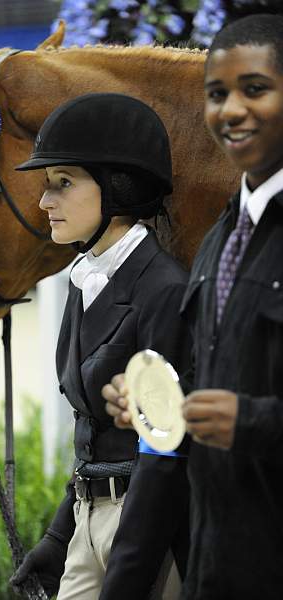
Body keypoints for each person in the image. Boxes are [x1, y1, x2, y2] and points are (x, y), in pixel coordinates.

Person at [103, 11, 283, 600]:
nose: (231, 110)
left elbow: (249, 411)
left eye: (255, 89)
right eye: (216, 94)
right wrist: (163, 407)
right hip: (220, 558)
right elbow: (223, 380)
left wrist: (252, 422)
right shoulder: (219, 239)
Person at [11, 92, 191, 600]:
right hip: (88, 522)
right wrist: (57, 536)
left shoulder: (165, 291)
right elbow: (92, 433)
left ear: (119, 187)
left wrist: (131, 569)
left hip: (146, 532)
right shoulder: (83, 281)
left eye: (62, 184)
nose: (46, 202)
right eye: (47, 186)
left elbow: (166, 453)